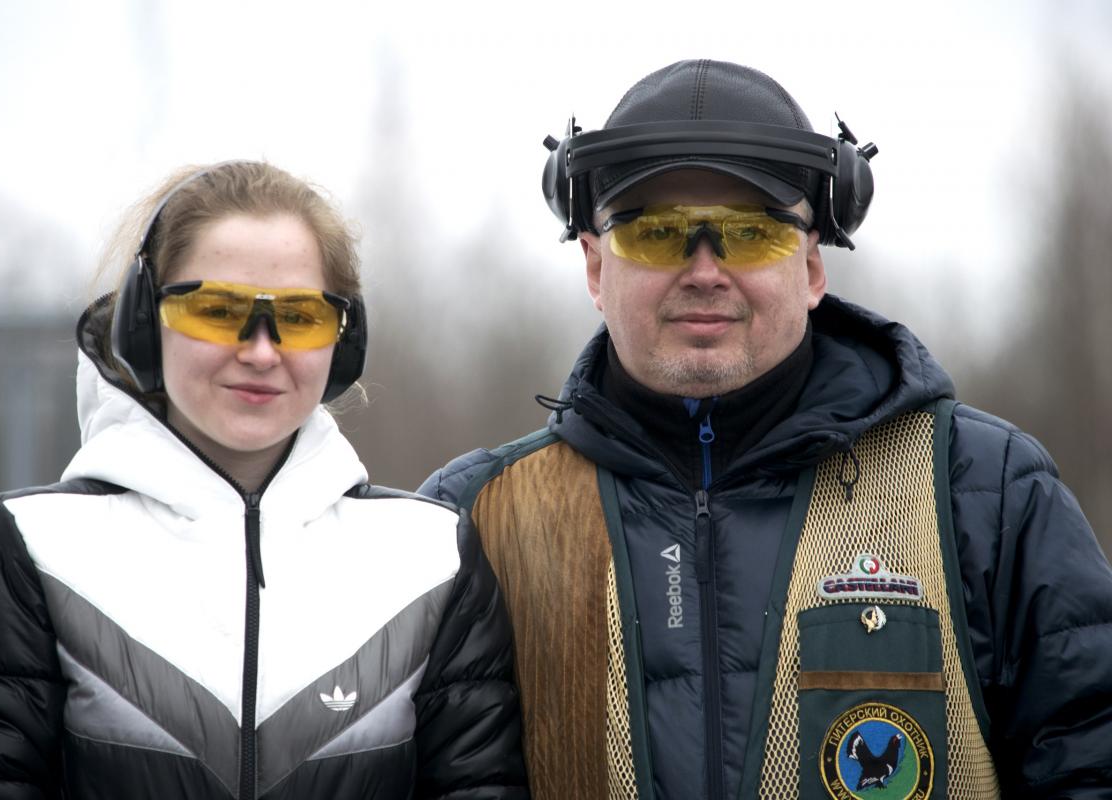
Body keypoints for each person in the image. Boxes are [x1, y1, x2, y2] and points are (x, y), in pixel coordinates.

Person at [420, 60, 1112, 799]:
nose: (705, 271)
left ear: (811, 267)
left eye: (750, 234)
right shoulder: (471, 523)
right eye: (657, 234)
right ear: (595, 268)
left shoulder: (986, 493)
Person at [0, 161, 527, 799]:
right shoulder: (33, 548)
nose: (261, 351)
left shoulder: (432, 559)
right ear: (144, 323)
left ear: (344, 342)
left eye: (300, 317)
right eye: (216, 309)